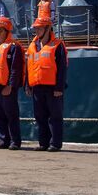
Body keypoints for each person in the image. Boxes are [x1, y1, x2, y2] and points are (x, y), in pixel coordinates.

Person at [25, 17, 67, 151]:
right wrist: (28, 85)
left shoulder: (57, 45)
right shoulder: (32, 46)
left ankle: (55, 143)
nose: (36, 30)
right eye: (35, 28)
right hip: (37, 86)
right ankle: (43, 143)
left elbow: (62, 68)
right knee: (40, 116)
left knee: (55, 116)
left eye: (39, 28)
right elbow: (29, 67)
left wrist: (59, 87)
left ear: (48, 29)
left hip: (52, 87)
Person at [0, 16, 25, 150]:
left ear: (2, 30)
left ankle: (15, 141)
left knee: (11, 115)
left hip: (6, 87)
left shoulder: (14, 47)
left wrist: (10, 85)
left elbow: (15, 69)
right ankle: (3, 139)